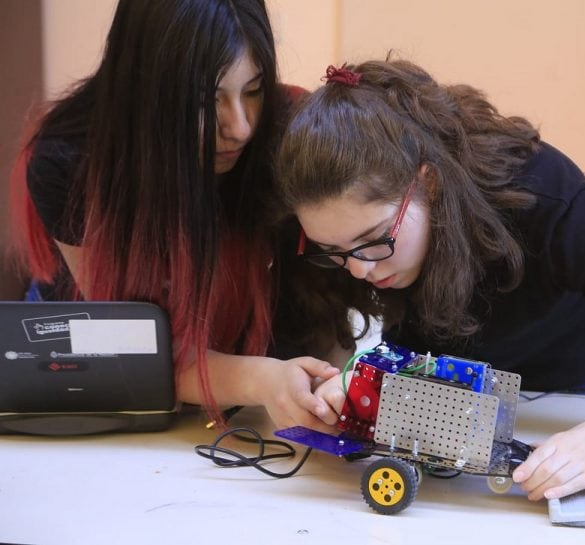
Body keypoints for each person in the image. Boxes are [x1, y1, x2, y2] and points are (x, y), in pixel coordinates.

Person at [273, 59, 585, 500]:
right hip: (439, 388)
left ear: (428, 183)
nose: (359, 270)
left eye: (374, 240)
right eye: (332, 252)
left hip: (573, 389)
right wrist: (346, 389)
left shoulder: (543, 199)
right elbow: (340, 345)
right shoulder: (341, 233)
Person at [8, 0, 341, 430]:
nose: (239, 127)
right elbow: (134, 348)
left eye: (254, 90)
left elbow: (327, 315)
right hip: (106, 367)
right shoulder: (71, 162)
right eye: (207, 98)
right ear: (146, 89)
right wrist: (260, 379)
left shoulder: (288, 132)